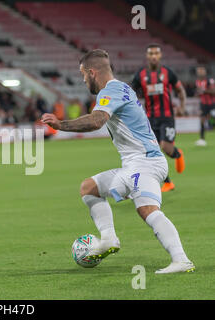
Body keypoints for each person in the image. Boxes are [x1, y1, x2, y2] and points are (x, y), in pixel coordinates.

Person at [42, 49, 194, 274]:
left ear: (93, 72)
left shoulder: (111, 90)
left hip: (146, 162)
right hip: (136, 163)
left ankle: (181, 260)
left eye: (84, 75)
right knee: (89, 188)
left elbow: (97, 121)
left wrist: (61, 125)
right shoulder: (120, 88)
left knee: (148, 210)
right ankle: (108, 239)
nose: (84, 81)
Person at [132, 43, 186, 192]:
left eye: (156, 53)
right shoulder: (140, 74)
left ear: (160, 56)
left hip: (167, 117)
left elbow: (180, 90)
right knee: (150, 152)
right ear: (147, 56)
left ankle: (177, 154)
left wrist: (182, 106)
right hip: (149, 119)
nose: (154, 56)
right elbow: (132, 92)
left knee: (166, 148)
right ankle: (168, 182)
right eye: (151, 54)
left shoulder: (168, 72)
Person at [194, 65, 215, 146]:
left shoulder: (210, 80)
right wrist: (198, 93)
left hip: (212, 104)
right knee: (202, 120)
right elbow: (199, 93)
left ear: (205, 72)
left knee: (212, 120)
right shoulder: (197, 82)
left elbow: (213, 92)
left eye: (202, 70)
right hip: (203, 104)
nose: (200, 72)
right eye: (199, 71)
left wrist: (203, 91)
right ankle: (202, 139)